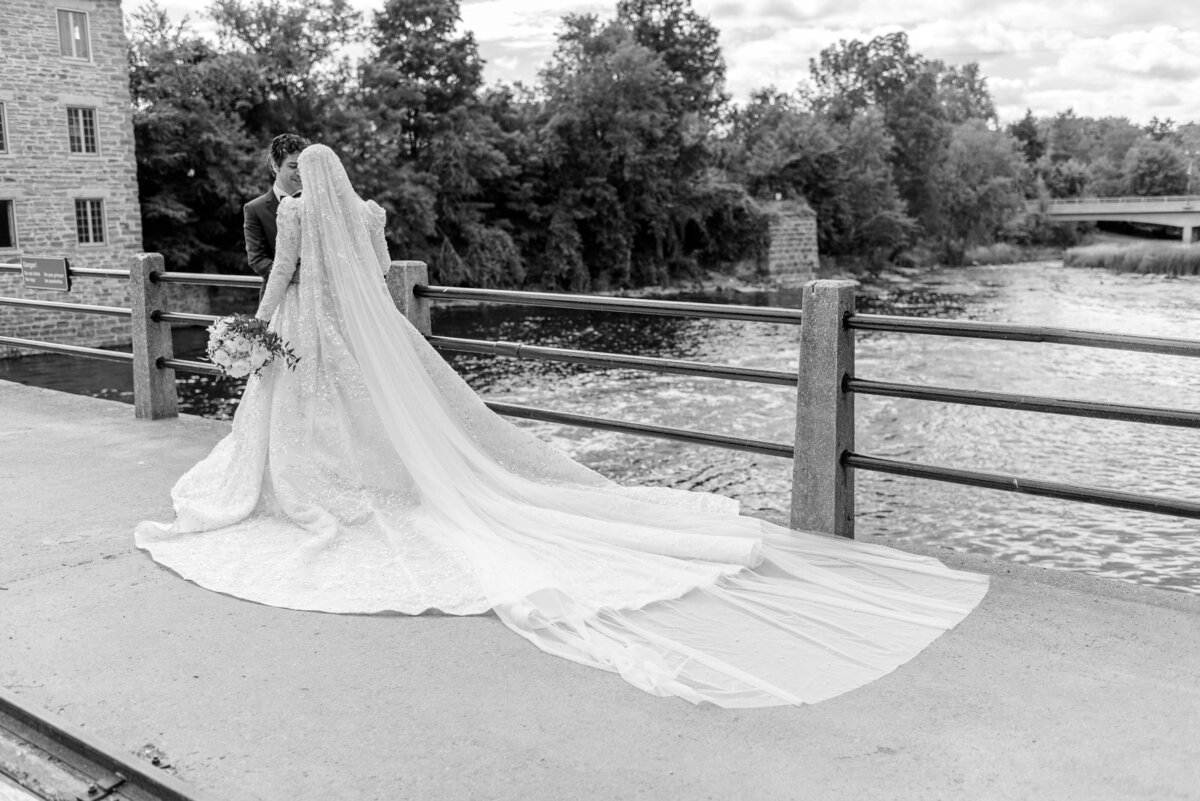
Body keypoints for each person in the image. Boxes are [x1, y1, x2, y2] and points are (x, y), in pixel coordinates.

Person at [136, 145, 988, 708]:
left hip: (309, 338)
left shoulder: (290, 217)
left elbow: (283, 274)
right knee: (370, 427)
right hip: (356, 341)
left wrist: (253, 330)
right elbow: (372, 271)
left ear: (294, 179)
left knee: (313, 428)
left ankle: (311, 500)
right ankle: (358, 490)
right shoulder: (364, 215)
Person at [243, 133, 309, 297]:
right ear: (275, 166)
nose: (300, 173)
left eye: (303, 166)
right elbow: (257, 259)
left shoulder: (317, 203)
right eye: (293, 166)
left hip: (318, 297)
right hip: (278, 297)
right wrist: (294, 276)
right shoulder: (254, 209)